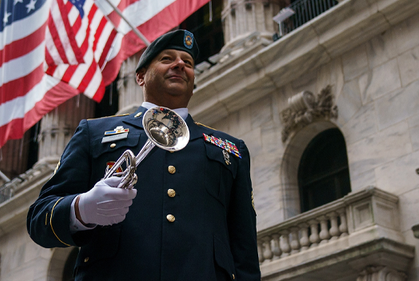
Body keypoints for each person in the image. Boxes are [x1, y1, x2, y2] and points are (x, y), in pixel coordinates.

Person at [27, 29, 260, 281]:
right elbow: (40, 219)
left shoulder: (231, 149)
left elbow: (244, 248)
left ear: (194, 81)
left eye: (188, 62)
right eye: (167, 59)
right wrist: (81, 209)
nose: (180, 64)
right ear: (140, 77)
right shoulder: (94, 133)